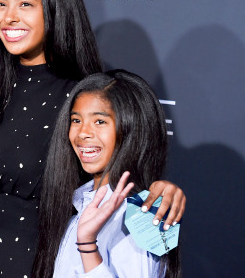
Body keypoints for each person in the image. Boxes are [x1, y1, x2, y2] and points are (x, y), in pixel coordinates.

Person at [0, 0, 185, 277]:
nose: (9, 17)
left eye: (25, 4)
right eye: (1, 4)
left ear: (54, 9)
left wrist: (162, 192)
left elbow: (127, 180)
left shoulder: (85, 98)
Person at [35, 69, 181, 277]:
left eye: (99, 121)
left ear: (132, 129)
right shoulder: (77, 204)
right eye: (76, 120)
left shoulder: (146, 213)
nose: (83, 133)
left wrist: (87, 246)